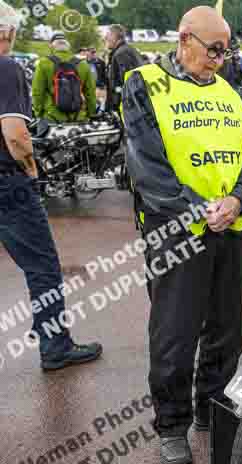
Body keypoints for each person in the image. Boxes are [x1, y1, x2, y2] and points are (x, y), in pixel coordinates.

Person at [121, 6, 242, 464]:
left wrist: (240, 200)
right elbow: (147, 166)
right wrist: (198, 208)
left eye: (227, 50)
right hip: (177, 231)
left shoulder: (231, 92)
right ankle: (172, 424)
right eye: (213, 49)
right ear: (184, 40)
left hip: (229, 227)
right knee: (175, 334)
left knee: (227, 331)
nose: (221, 59)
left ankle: (213, 410)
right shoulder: (143, 83)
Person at [0, 4, 102, 371]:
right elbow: (15, 134)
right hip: (8, 182)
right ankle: (55, 345)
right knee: (43, 267)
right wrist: (29, 169)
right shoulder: (6, 66)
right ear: (8, 32)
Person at [31, 33, 96, 122]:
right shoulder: (83, 64)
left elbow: (37, 92)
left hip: (52, 117)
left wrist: (38, 113)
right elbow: (90, 92)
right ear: (68, 46)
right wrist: (90, 113)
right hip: (79, 117)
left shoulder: (44, 63)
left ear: (52, 46)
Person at [105, 24, 146, 112]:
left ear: (115, 36)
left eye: (108, 35)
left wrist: (119, 104)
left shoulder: (122, 53)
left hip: (128, 106)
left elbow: (128, 81)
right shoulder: (126, 50)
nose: (105, 38)